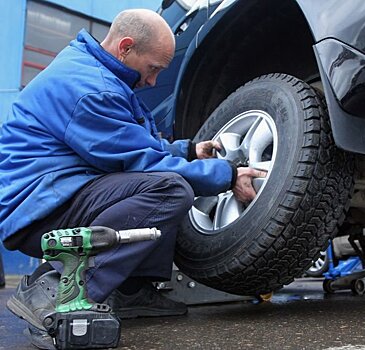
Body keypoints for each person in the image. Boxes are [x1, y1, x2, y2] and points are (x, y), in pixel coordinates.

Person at [0, 8, 264, 335]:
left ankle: (129, 289)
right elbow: (143, 161)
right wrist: (227, 175)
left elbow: (133, 143)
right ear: (125, 47)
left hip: (59, 192)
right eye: (153, 68)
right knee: (170, 189)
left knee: (167, 179)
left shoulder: (97, 71)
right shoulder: (91, 88)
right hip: (39, 212)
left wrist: (188, 151)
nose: (153, 80)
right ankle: (61, 288)